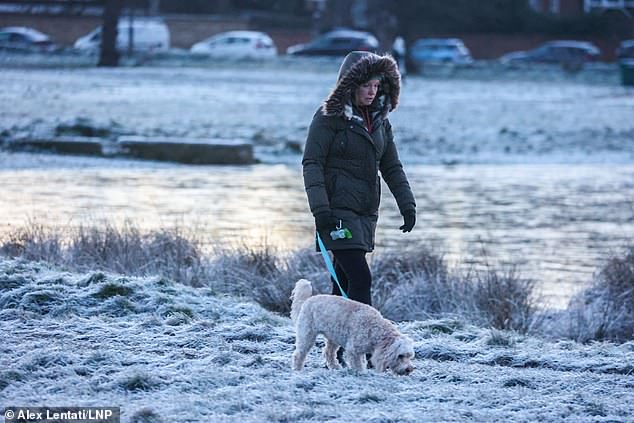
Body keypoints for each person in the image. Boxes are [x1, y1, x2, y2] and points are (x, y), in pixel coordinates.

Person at [302, 51, 416, 307]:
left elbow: (392, 167)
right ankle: (363, 345)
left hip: (366, 212)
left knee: (341, 283)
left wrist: (407, 205)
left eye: (376, 85)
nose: (372, 91)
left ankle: (336, 345)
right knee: (360, 279)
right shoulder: (327, 118)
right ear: (350, 85)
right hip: (336, 213)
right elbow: (312, 164)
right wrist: (320, 210)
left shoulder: (380, 123)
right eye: (366, 85)